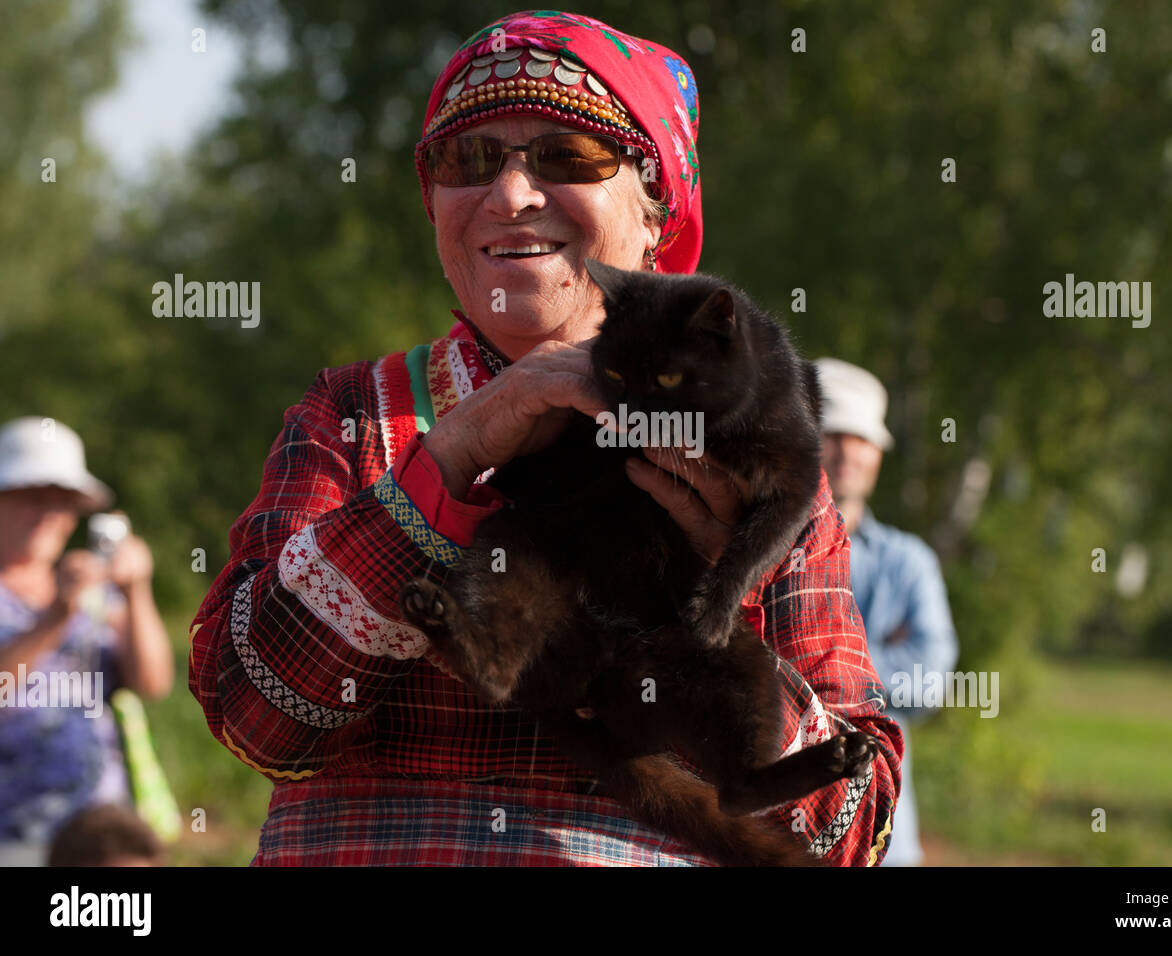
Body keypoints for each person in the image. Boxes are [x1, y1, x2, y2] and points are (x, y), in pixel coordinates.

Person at [189, 10, 903, 866]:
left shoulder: (754, 457)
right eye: (468, 161)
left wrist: (720, 608)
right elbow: (252, 717)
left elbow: (851, 836)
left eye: (569, 158)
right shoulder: (353, 415)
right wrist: (450, 458)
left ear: (656, 214)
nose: (511, 195)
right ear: (433, 205)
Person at [0, 417, 174, 867]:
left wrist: (137, 591)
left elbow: (153, 683)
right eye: (33, 498)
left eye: (63, 503)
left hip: (101, 839)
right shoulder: (63, 601)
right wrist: (54, 618)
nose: (49, 516)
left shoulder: (97, 596)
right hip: (14, 839)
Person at [815, 358, 960, 867]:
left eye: (863, 438)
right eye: (834, 433)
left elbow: (931, 680)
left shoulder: (910, 561)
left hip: (886, 840)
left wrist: (815, 665)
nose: (848, 452)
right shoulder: (760, 554)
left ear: (878, 453)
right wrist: (882, 662)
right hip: (777, 837)